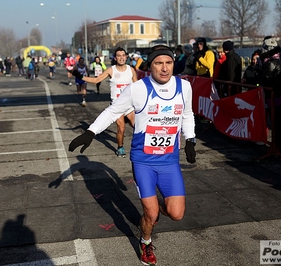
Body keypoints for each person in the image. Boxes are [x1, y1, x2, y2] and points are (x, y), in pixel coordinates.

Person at [69, 44, 196, 265]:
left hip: (169, 161)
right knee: (152, 214)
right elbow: (112, 111)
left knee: (176, 214)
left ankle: (153, 208)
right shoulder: (137, 89)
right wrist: (90, 132)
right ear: (150, 66)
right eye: (159, 63)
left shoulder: (184, 87)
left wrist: (191, 140)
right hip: (143, 161)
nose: (164, 68)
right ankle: (145, 241)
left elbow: (187, 114)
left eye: (168, 63)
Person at [72, 47, 138, 157]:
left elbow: (137, 85)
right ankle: (120, 147)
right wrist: (80, 77)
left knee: (136, 125)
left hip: (130, 105)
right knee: (121, 128)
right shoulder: (111, 70)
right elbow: (96, 80)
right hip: (116, 106)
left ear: (126, 57)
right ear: (115, 58)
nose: (121, 58)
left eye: (123, 55)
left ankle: (141, 146)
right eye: (119, 56)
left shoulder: (131, 70)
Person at [260, 36, 281, 156]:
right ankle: (277, 146)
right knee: (278, 123)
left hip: (274, 98)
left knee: (276, 123)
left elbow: (265, 80)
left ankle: (276, 147)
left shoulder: (271, 63)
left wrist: (258, 81)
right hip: (280, 96)